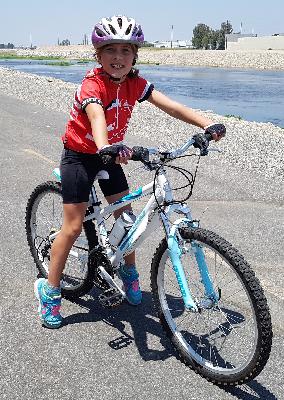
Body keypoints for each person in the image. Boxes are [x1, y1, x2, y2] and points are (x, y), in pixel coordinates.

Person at [34, 15, 226, 328]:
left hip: (110, 155)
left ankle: (130, 274)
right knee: (71, 227)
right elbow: (97, 117)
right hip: (81, 157)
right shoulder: (91, 85)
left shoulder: (136, 83)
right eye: (111, 50)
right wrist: (105, 146)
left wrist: (206, 124)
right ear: (98, 54)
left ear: (135, 55)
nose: (118, 57)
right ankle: (50, 290)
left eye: (126, 50)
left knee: (126, 217)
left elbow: (172, 106)